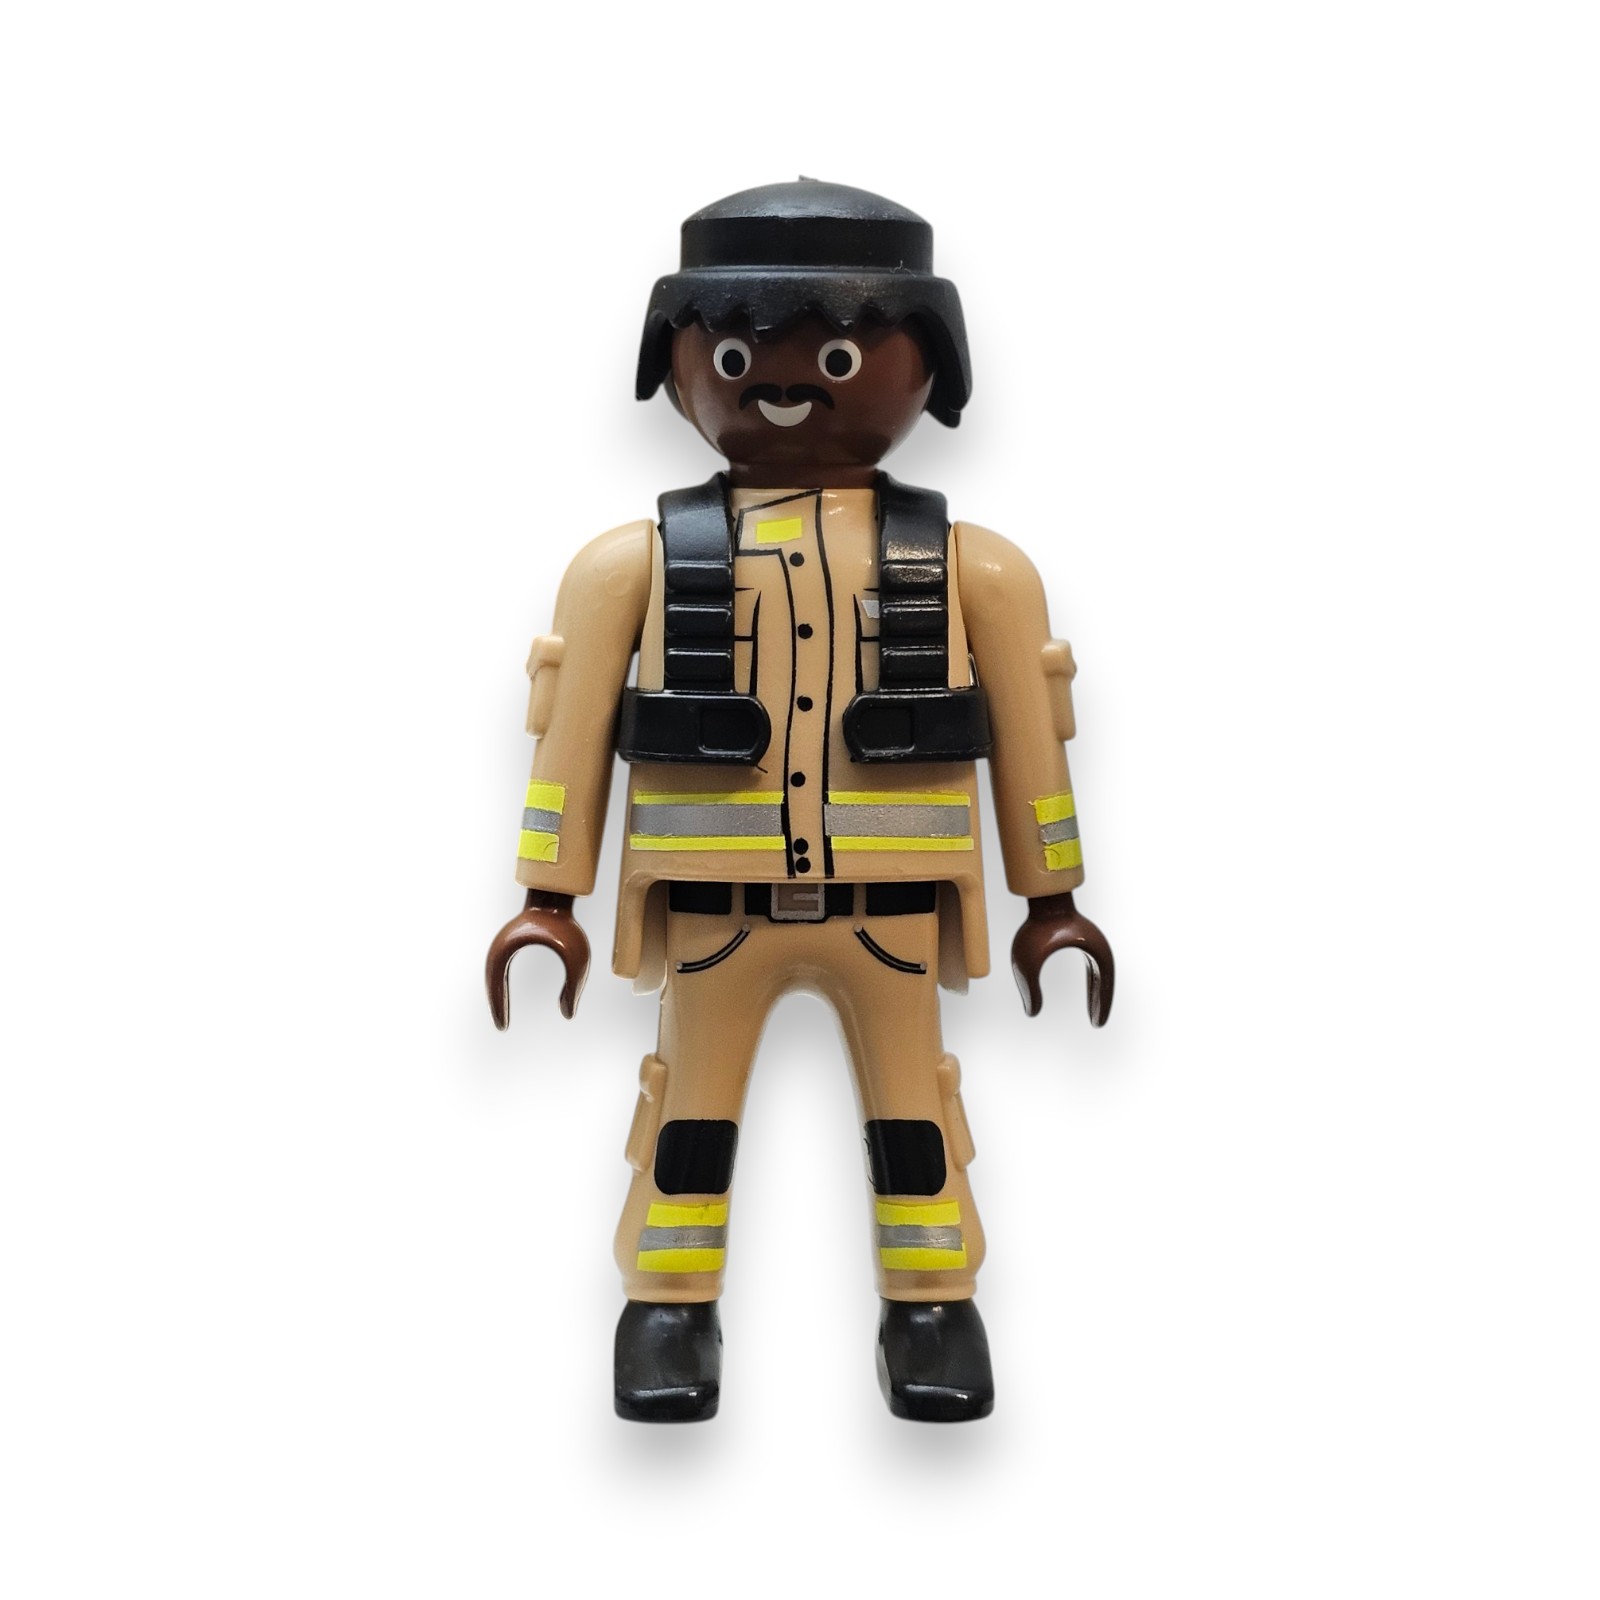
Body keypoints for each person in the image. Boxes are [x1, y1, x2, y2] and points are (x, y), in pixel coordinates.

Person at [487, 179, 1114, 1423]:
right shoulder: (630, 568)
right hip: (713, 917)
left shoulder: (978, 572)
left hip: (890, 915)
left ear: (924, 367)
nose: (785, 384)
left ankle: (931, 1304)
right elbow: (568, 739)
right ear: (681, 365)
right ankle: (668, 1306)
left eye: (839, 354)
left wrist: (1053, 898)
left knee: (914, 1116)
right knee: (689, 1117)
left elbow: (1034, 744)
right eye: (736, 353)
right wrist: (546, 893)